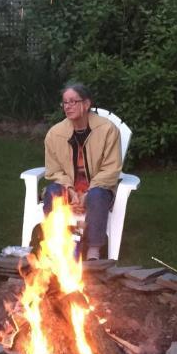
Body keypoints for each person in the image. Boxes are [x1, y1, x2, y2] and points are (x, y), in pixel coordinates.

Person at [42, 83, 122, 260]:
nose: (68, 106)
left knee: (96, 196)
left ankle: (93, 250)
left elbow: (111, 168)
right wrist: (71, 190)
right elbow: (54, 170)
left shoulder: (107, 130)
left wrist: (86, 193)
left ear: (86, 104)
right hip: (68, 186)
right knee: (52, 192)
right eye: (65, 102)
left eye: (73, 101)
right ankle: (57, 245)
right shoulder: (55, 134)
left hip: (98, 187)